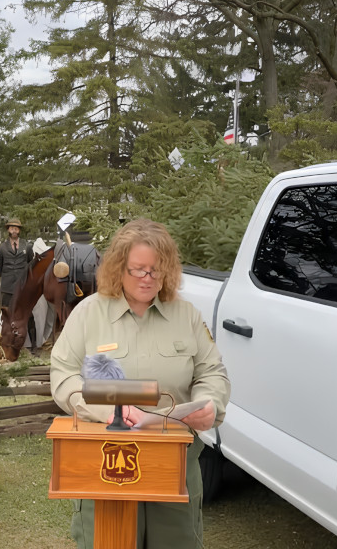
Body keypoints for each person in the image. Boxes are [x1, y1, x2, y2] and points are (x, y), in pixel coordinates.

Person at [49, 219, 230, 549]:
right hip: (106, 461)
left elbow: (212, 373)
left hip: (174, 464)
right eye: (138, 270)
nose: (148, 279)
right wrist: (103, 411)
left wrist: (209, 404)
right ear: (119, 267)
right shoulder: (89, 314)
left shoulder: (187, 316)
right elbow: (63, 375)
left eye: (156, 271)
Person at [0, 218, 32, 308]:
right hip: (7, 286)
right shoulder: (2, 247)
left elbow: (30, 263)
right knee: (6, 312)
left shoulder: (27, 246)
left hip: (22, 285)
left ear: (19, 230)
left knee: (22, 311)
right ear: (8, 229)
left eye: (16, 228)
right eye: (12, 228)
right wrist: (6, 275)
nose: (14, 231)